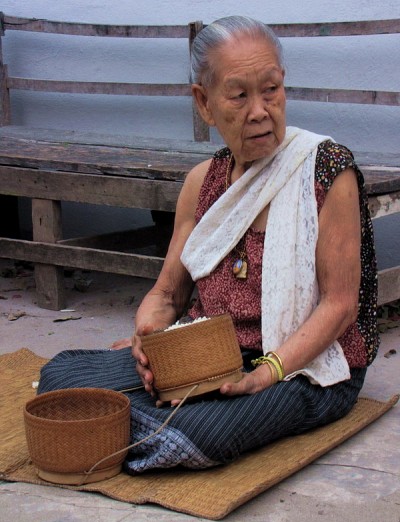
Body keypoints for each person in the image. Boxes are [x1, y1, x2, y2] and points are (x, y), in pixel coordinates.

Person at [38, 16, 379, 473]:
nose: (259, 111)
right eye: (239, 95)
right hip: (207, 355)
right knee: (61, 377)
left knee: (202, 432)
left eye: (271, 90)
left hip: (302, 366)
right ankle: (131, 425)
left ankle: (107, 428)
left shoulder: (326, 172)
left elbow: (340, 306)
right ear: (204, 102)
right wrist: (149, 339)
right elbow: (167, 294)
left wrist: (265, 374)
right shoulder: (203, 183)